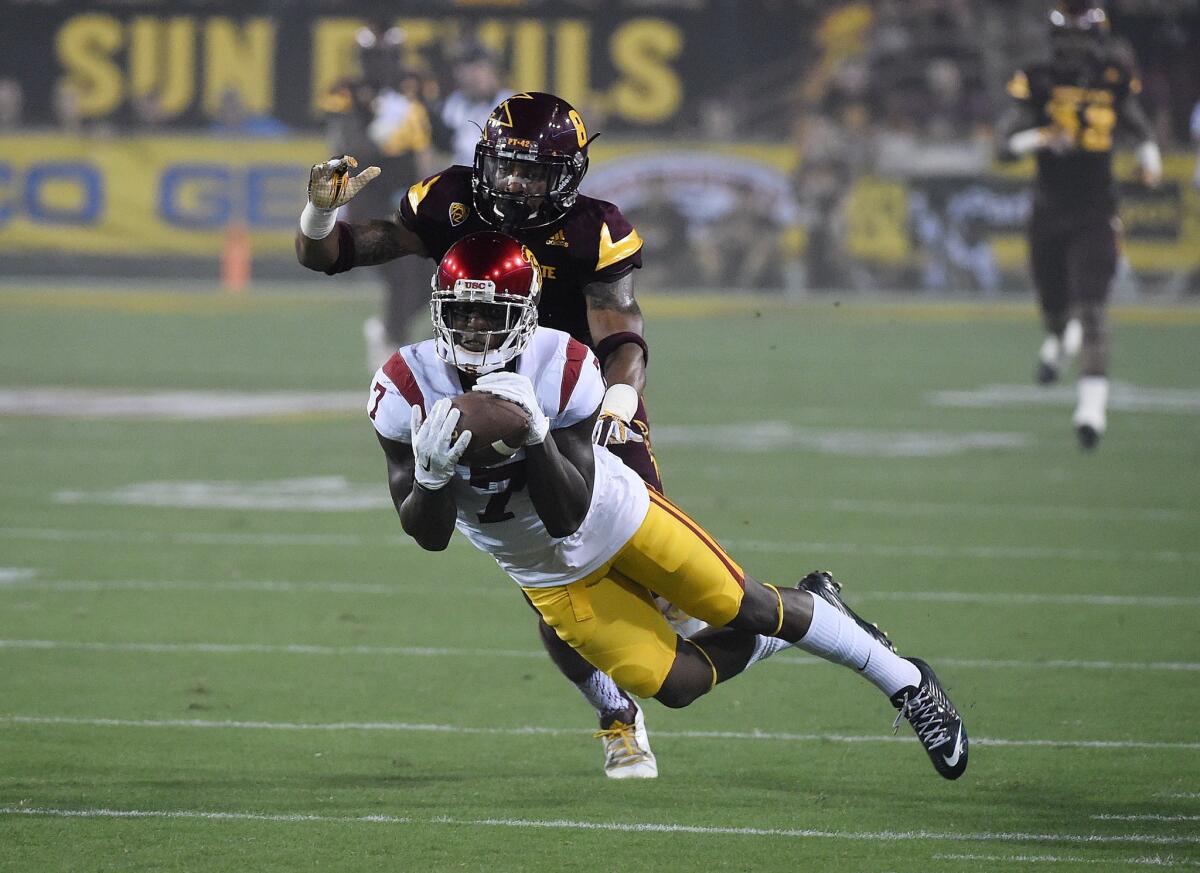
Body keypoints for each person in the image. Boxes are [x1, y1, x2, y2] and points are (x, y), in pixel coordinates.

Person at [367, 231, 970, 781]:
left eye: (488, 312)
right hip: (546, 572)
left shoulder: (563, 364)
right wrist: (430, 477)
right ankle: (816, 609)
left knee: (748, 605)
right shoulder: (403, 386)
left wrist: (534, 436)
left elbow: (568, 514)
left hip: (618, 518)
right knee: (677, 686)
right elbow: (429, 535)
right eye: (460, 311)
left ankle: (907, 682)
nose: (472, 328)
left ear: (522, 314)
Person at [297, 92, 682, 778]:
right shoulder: (451, 200)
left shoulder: (594, 228)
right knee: (557, 588)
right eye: (504, 167)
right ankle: (616, 715)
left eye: (532, 173)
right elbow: (335, 253)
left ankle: (787, 618)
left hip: (581, 398)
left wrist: (619, 405)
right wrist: (322, 211)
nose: (513, 184)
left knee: (662, 588)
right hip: (485, 396)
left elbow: (623, 334)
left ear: (567, 174)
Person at [996, 0, 1161, 450]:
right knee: (1054, 312)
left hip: (1095, 209)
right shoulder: (1037, 78)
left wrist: (1150, 159)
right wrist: (1041, 137)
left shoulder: (1112, 76)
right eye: (1065, 41)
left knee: (1092, 311)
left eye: (1079, 40)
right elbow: (1003, 145)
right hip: (1049, 209)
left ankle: (1091, 412)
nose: (1072, 51)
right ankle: (1059, 338)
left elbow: (1138, 126)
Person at [318, 23, 436, 370]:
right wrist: (378, 128)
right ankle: (392, 343)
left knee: (430, 276)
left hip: (408, 195)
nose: (383, 65)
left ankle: (388, 332)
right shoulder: (347, 91)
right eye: (375, 57)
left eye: (388, 57)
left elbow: (431, 139)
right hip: (368, 195)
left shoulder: (416, 85)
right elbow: (345, 145)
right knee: (398, 271)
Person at [436, 41, 512, 168]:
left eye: (480, 69)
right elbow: (441, 148)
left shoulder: (511, 105)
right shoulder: (455, 102)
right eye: (467, 70)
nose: (472, 76)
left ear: (495, 73)